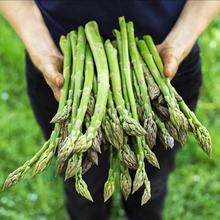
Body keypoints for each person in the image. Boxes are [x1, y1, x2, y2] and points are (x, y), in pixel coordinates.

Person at [0, 1, 219, 220]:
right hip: (63, 67)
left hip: (162, 67)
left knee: (150, 185)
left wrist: (179, 43)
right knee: (83, 191)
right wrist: (40, 46)